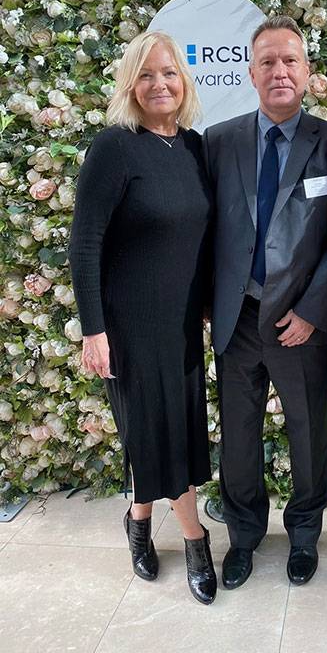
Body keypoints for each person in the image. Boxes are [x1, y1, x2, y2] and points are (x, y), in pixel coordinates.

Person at [202, 15, 327, 589]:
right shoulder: (218, 142)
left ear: (308, 71)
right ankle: (243, 536)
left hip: (301, 323)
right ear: (250, 72)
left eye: (290, 60)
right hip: (238, 319)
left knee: (307, 432)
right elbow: (204, 227)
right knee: (239, 436)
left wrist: (315, 312)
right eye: (267, 61)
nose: (279, 71)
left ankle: (305, 536)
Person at [69, 30, 217, 605]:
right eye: (148, 74)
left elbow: (202, 237)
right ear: (132, 83)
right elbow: (85, 243)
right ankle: (195, 537)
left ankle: (136, 518)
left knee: (167, 427)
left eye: (170, 73)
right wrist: (93, 328)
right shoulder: (114, 147)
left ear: (185, 82)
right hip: (128, 323)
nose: (160, 84)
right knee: (158, 429)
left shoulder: (196, 147)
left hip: (180, 323)